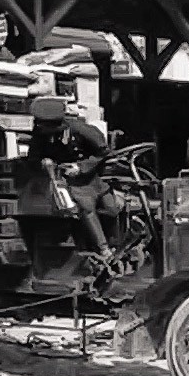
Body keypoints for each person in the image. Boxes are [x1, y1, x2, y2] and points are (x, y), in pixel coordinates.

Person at [29, 102, 114, 259]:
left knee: (112, 208)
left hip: (90, 175)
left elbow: (103, 151)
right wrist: (43, 162)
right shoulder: (40, 133)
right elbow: (33, 156)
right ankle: (103, 249)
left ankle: (117, 240)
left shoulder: (81, 130)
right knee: (86, 208)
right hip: (66, 179)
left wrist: (81, 167)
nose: (41, 129)